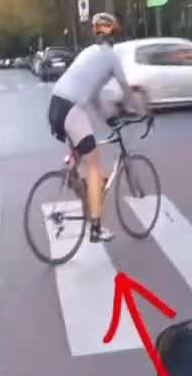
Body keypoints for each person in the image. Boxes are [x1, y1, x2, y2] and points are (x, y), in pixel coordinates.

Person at [47, 12, 139, 243]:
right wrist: (138, 111)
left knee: (82, 159)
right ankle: (96, 228)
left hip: (55, 105)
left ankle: (77, 181)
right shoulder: (111, 57)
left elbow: (94, 97)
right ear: (114, 34)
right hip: (72, 109)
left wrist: (108, 119)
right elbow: (126, 89)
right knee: (96, 166)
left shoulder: (88, 53)